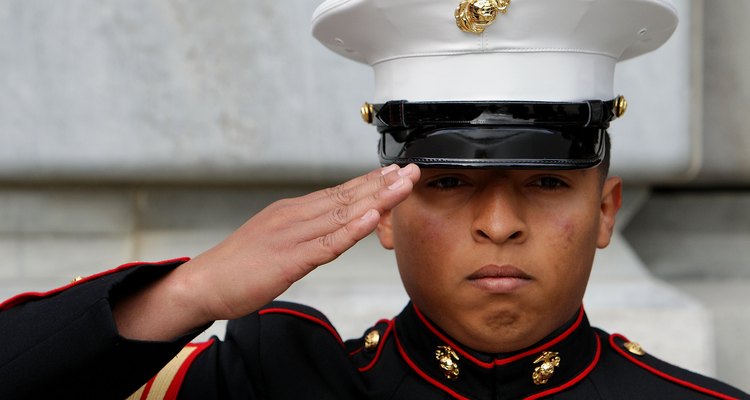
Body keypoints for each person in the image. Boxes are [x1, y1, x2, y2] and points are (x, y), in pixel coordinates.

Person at [1, 0, 748, 399]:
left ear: (607, 210)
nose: (498, 225)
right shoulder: (276, 384)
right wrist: (188, 292)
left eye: (546, 181)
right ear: (384, 211)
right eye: (449, 183)